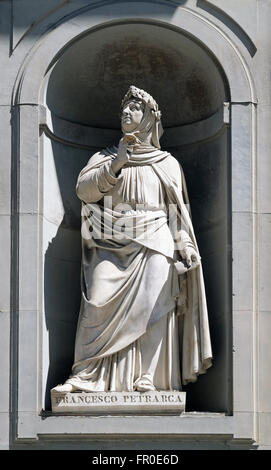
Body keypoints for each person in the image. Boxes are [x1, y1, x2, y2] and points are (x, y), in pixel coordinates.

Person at [52, 86, 212, 393]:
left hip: (156, 236)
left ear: (150, 118)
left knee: (154, 307)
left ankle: (147, 377)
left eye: (134, 108)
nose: (126, 112)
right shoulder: (105, 156)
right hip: (110, 238)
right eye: (124, 108)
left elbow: (176, 211)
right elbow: (84, 191)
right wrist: (117, 163)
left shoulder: (167, 163)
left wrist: (186, 245)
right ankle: (86, 375)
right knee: (97, 301)